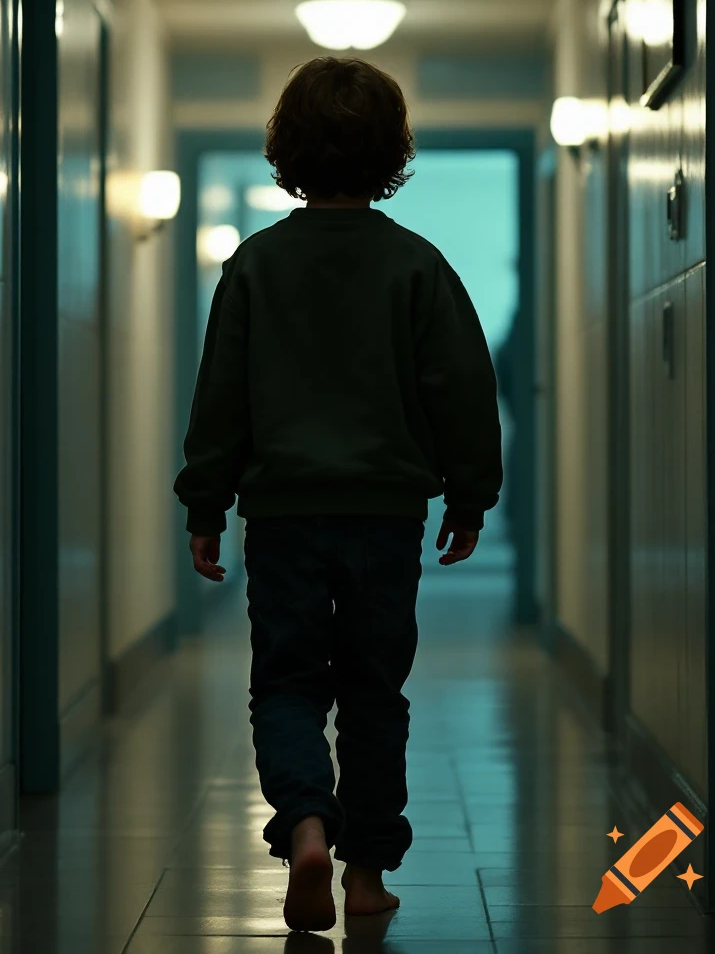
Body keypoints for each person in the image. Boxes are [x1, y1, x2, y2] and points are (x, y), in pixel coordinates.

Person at [173, 56, 503, 933]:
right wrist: (470, 497)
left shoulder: (253, 266)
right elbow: (462, 391)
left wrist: (205, 504)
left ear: (288, 147)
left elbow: (221, 401)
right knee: (372, 691)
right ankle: (364, 875)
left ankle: (306, 826)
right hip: (386, 517)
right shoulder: (417, 268)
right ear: (391, 151)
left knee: (285, 682)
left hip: (282, 515)